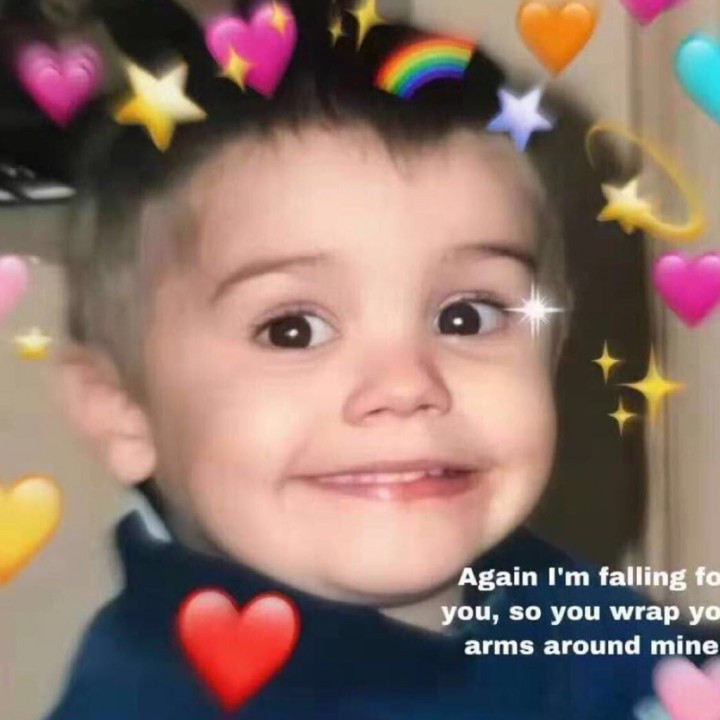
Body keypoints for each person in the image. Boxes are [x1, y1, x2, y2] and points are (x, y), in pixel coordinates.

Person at [44, 0, 705, 717]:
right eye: (293, 330)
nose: (406, 383)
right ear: (123, 412)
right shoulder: (150, 698)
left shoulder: (544, 600)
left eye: (467, 316)